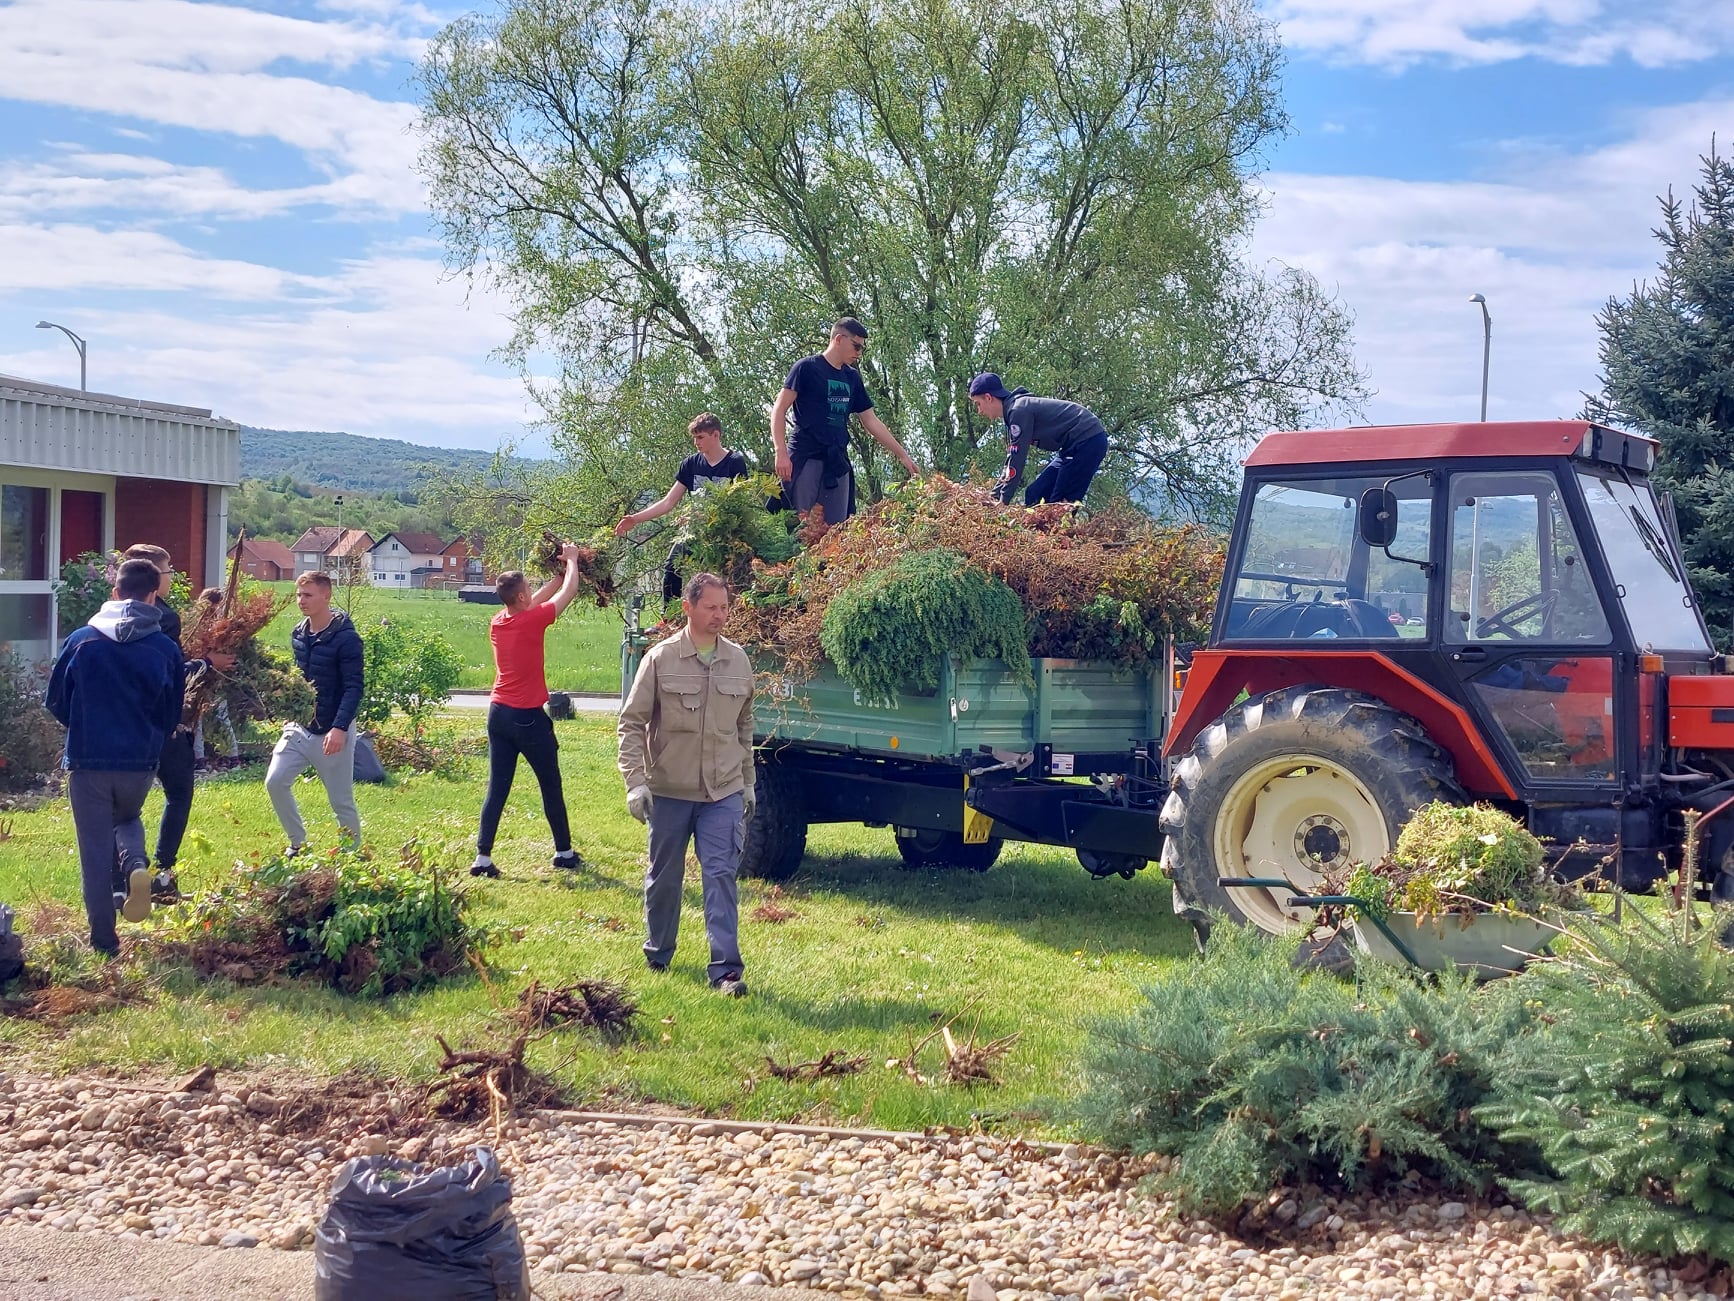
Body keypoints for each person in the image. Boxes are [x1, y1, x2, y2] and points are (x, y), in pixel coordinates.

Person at [617, 573, 754, 996]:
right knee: (664, 879)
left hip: (723, 792)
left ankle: (726, 972)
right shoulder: (660, 659)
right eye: (711, 607)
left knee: (720, 876)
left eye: (725, 607)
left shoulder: (739, 661)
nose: (719, 615)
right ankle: (659, 951)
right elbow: (631, 722)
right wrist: (635, 783)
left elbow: (745, 726)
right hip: (670, 792)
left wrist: (747, 783)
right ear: (688, 608)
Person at [43, 558, 186, 955]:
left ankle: (105, 942)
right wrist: (151, 737)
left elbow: (55, 700)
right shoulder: (164, 648)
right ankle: (137, 866)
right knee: (126, 817)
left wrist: (82, 726)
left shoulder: (81, 640)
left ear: (115, 592)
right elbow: (172, 711)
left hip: (88, 760)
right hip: (139, 761)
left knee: (93, 852)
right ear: (154, 595)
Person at [122, 544, 234, 898]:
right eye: (169, 570)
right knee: (179, 791)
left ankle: (120, 880)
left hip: (123, 723)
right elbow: (168, 670)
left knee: (123, 806)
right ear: (155, 577)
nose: (173, 576)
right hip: (161, 722)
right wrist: (208, 663)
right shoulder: (162, 616)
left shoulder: (109, 615)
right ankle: (162, 875)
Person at [472, 544, 588, 878]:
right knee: (551, 784)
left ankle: (483, 858)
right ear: (521, 598)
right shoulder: (533, 621)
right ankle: (564, 853)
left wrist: (556, 573)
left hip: (498, 715)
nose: (531, 594)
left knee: (498, 787)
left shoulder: (499, 621)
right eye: (527, 589)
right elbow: (569, 592)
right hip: (528, 718)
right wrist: (573, 563)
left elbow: (536, 598)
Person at [770, 317, 919, 526]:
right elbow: (779, 409)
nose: (859, 353)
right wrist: (780, 451)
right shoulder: (806, 368)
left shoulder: (852, 378)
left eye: (862, 349)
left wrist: (902, 454)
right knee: (802, 528)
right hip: (806, 458)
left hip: (837, 462)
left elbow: (871, 421)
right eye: (856, 346)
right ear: (839, 339)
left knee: (838, 530)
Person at [265, 571, 364, 855]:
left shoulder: (347, 639)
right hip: (299, 727)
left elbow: (353, 687)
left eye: (307, 595)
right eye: (298, 595)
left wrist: (340, 728)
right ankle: (297, 843)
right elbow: (300, 679)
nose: (301, 601)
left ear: (326, 596)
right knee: (275, 781)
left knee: (340, 800)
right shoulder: (298, 634)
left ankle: (352, 856)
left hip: (333, 730)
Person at [615, 412, 753, 601]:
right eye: (695, 438)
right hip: (695, 530)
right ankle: (668, 618)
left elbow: (741, 503)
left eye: (700, 437)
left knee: (728, 573)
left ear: (716, 435)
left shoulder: (735, 462)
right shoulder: (690, 464)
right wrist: (635, 518)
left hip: (726, 531)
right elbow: (668, 501)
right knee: (672, 565)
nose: (697, 442)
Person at [968, 372, 1110, 506]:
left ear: (988, 397)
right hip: (1072, 447)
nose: (979, 411)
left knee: (1058, 506)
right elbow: (1010, 461)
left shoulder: (1018, 411)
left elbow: (1018, 459)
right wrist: (994, 496)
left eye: (978, 404)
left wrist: (1003, 502)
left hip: (1088, 441)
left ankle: (1058, 531)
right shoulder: (1014, 411)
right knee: (1036, 493)